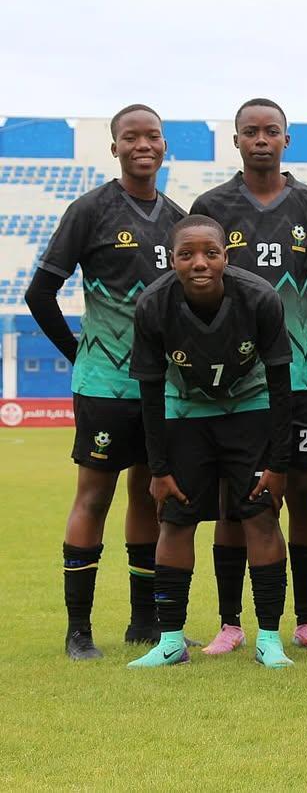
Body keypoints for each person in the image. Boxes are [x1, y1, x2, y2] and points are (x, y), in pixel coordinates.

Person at [24, 104, 185, 660]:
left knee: (150, 493)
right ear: (115, 148)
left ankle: (145, 623)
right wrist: (79, 355)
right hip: (105, 387)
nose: (143, 145)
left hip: (162, 388)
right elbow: (39, 294)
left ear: (164, 146)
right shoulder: (90, 210)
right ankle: (79, 631)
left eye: (152, 136)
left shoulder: (178, 218)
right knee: (94, 496)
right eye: (131, 137)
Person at [189, 98, 307, 655]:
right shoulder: (211, 205)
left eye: (271, 131)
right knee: (234, 499)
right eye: (251, 131)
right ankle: (230, 623)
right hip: (234, 383)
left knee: (302, 492)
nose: (261, 139)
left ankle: (306, 620)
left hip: (299, 378)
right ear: (235, 140)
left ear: (286, 140)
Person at [126, 215, 294, 668]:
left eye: (210, 253)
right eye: (187, 254)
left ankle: (269, 639)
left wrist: (278, 464)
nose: (199, 263)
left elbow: (281, 385)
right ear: (171, 260)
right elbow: (149, 393)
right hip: (187, 412)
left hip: (250, 408)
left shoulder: (259, 297)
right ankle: (170, 641)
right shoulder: (152, 304)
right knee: (176, 521)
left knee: (260, 517)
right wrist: (159, 469)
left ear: (226, 257)